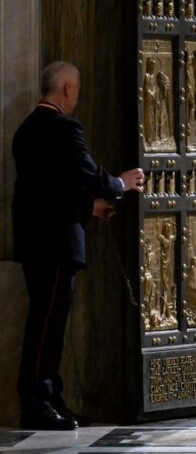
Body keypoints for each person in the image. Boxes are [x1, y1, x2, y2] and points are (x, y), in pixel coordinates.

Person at [12, 62, 144, 430]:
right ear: (67, 89)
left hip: (36, 240)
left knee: (48, 323)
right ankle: (37, 401)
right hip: (54, 244)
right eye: (78, 91)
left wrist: (88, 207)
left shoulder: (27, 129)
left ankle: (49, 397)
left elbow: (49, 190)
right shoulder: (63, 128)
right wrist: (120, 183)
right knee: (46, 325)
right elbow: (88, 174)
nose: (78, 98)